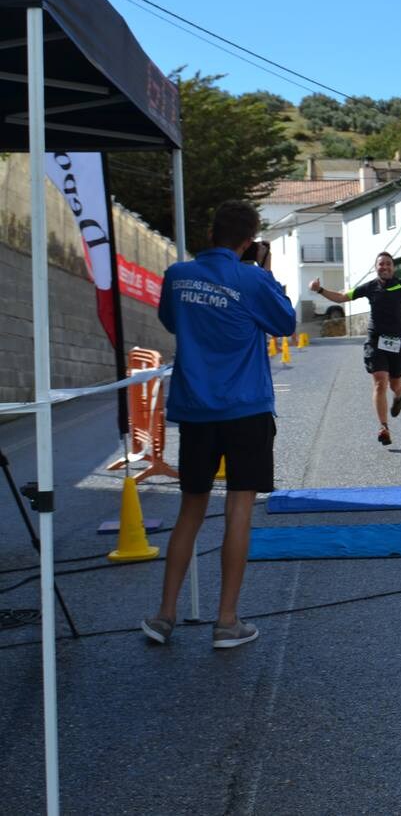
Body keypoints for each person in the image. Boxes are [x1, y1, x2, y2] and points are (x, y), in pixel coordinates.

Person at [140, 201, 296, 650]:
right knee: (239, 510)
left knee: (190, 510)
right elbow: (284, 322)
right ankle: (227, 621)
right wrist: (263, 271)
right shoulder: (253, 277)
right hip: (246, 407)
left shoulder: (177, 275)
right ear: (249, 240)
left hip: (196, 409)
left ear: (211, 232)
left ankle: (165, 614)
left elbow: (171, 320)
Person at [311, 252, 401, 446]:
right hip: (375, 341)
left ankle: (399, 395)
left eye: (388, 264)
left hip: (398, 342)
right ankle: (384, 427)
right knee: (380, 382)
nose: (385, 267)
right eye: (381, 264)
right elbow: (342, 297)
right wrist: (320, 289)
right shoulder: (369, 287)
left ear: (393, 267)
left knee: (394, 383)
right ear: (376, 267)